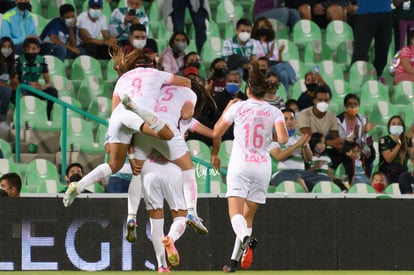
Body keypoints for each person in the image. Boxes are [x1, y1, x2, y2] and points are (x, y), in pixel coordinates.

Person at [213, 61, 288, 272]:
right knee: (248, 217)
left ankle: (246, 239)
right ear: (264, 92)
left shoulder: (238, 106)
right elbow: (282, 138)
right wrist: (267, 133)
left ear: (248, 89)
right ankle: (233, 263)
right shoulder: (275, 112)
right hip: (263, 167)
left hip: (240, 165)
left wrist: (227, 108)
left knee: (235, 215)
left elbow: (217, 132)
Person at [141, 152, 188, 272]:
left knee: (155, 223)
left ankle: (162, 265)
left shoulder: (143, 132)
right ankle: (171, 239)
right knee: (181, 217)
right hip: (171, 169)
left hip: (149, 170)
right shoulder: (178, 132)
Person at [11, 37, 58, 121]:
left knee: (53, 92)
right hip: (21, 89)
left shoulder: (42, 61)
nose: (30, 51)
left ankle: (48, 117)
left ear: (39, 49)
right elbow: (14, 81)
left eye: (33, 49)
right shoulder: (18, 61)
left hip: (34, 89)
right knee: (20, 93)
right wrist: (21, 90)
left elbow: (48, 82)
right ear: (23, 50)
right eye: (27, 49)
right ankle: (21, 119)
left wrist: (42, 87)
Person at [251, 17, 297, 91]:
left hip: (274, 65)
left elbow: (278, 60)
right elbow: (255, 60)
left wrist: (280, 52)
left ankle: (285, 94)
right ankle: (294, 80)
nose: (264, 28)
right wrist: (270, 53)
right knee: (283, 65)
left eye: (265, 26)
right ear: (256, 27)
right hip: (263, 67)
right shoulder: (252, 42)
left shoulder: (271, 42)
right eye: (261, 26)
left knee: (284, 73)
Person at [352, 0, 393, 81]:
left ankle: (378, 78)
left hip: (386, 13)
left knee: (383, 50)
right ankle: (355, 80)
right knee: (361, 51)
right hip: (365, 14)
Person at [297, 84, 343, 153]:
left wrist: (339, 143)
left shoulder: (331, 116)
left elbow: (335, 138)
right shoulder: (304, 114)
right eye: (320, 100)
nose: (323, 103)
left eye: (326, 100)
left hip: (320, 150)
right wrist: (329, 142)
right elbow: (308, 139)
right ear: (314, 101)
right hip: (304, 149)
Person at [212, 71, 247, 141]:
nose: (233, 83)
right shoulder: (217, 98)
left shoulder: (245, 99)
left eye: (235, 81)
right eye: (230, 81)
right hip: (224, 133)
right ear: (226, 83)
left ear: (240, 83)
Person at [379, 115, 412, 183]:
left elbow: (412, 156)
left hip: (403, 175)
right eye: (393, 124)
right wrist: (398, 145)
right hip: (387, 175)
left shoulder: (407, 140)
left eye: (399, 124)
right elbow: (388, 159)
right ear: (389, 127)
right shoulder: (384, 140)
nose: (396, 126)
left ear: (402, 127)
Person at [0, 37, 14, 131]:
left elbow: (13, 78)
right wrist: (8, 86)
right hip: (3, 88)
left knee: (21, 91)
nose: (6, 49)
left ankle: (18, 120)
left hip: (5, 87)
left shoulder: (12, 63)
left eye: (9, 47)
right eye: (4, 46)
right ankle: (2, 119)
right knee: (7, 90)